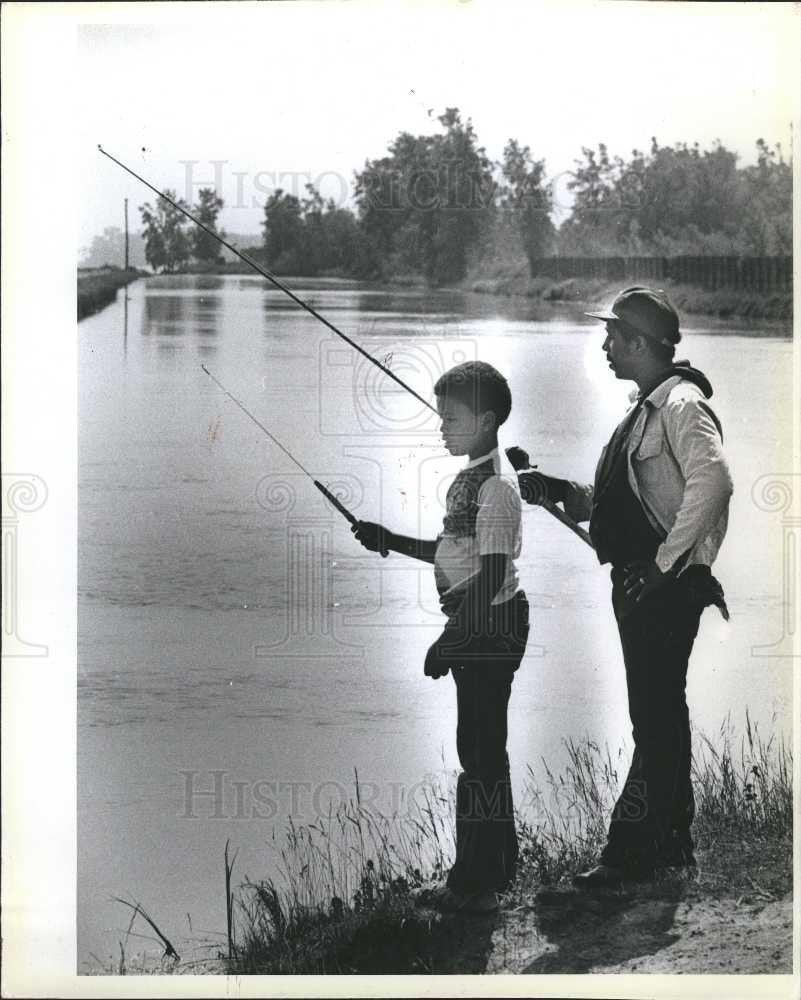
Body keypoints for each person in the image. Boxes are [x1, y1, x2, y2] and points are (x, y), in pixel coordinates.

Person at [519, 287, 732, 887]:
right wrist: (558, 491)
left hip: (663, 587)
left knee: (654, 716)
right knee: (659, 714)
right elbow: (619, 503)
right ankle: (669, 847)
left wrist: (665, 567)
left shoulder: (683, 404)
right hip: (647, 583)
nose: (606, 346)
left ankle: (630, 855)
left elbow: (713, 484)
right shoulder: (648, 407)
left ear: (640, 343)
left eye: (614, 337)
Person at [351, 361, 530, 913]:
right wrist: (389, 540)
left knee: (478, 753)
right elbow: (453, 552)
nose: (441, 427)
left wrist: (448, 641)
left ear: (485, 420)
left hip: (489, 626)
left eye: (451, 417)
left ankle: (473, 886)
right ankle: (493, 874)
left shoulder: (496, 487)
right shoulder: (472, 478)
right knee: (481, 750)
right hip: (482, 624)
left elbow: (494, 573)